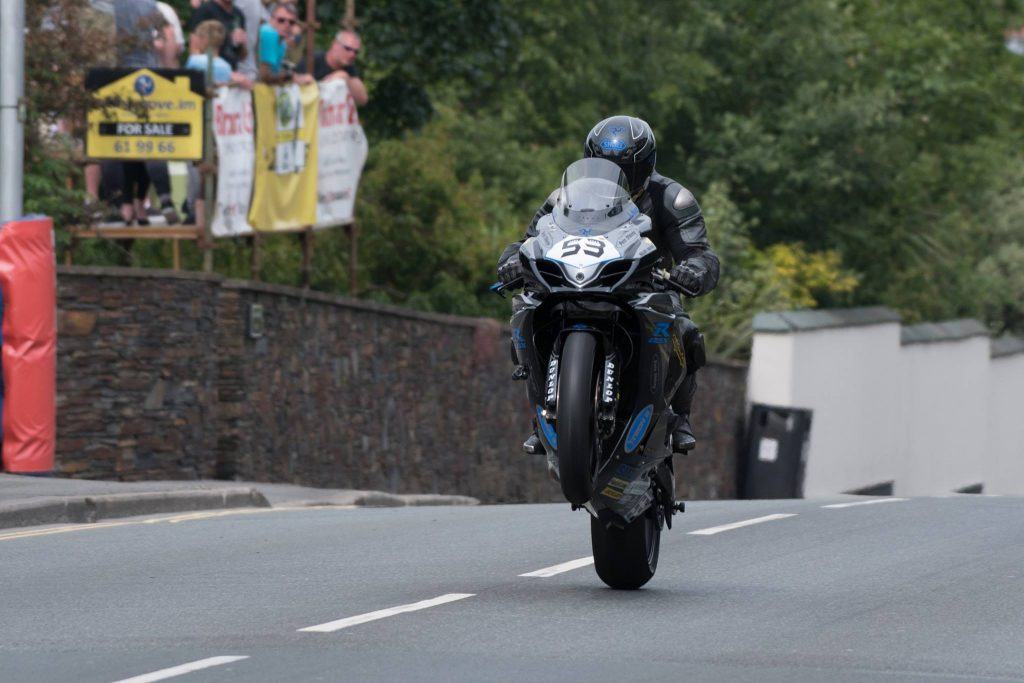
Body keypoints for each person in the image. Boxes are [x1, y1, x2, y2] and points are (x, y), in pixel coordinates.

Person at [496, 116, 720, 455]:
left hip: (645, 288)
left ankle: (678, 417)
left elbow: (700, 252)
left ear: (645, 166)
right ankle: (541, 412)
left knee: (685, 329)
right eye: (603, 165)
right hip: (576, 280)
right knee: (527, 309)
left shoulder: (672, 198)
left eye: (626, 168)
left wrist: (692, 271)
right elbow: (530, 239)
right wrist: (512, 262)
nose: (616, 176)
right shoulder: (565, 198)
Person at [297, 30, 369, 106]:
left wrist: (346, 78)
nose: (352, 55)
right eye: (347, 48)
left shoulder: (348, 67)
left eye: (356, 52)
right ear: (335, 44)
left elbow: (363, 99)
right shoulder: (312, 61)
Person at [257, 2, 312, 85]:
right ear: (271, 20)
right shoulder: (269, 33)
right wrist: (291, 77)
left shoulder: (282, 42)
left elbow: (276, 72)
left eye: (291, 22)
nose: (287, 25)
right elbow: (264, 76)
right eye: (281, 20)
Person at [186, 0, 249, 70]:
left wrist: (241, 44)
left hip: (230, 73)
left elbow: (243, 56)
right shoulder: (204, 10)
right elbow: (194, 50)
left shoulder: (238, 14)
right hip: (208, 73)